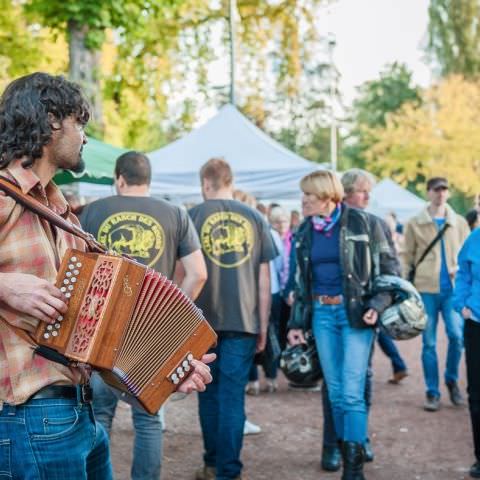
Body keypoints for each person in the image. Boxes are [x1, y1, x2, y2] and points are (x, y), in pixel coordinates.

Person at [0, 72, 213, 480]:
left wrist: (168, 369)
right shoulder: (4, 194)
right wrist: (4, 285)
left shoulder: (62, 213)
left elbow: (99, 334)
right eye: (79, 123)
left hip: (78, 410)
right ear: (49, 121)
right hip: (27, 414)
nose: (84, 137)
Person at [80, 150, 207, 480]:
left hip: (100, 334)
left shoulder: (92, 211)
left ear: (119, 179)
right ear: (148, 181)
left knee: (99, 416)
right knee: (149, 417)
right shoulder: (175, 213)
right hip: (151, 337)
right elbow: (198, 274)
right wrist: (171, 319)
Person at [288, 170, 397, 480]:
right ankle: (344, 446)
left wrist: (377, 305)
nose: (303, 200)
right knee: (335, 394)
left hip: (355, 316)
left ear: (326, 196)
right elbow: (299, 282)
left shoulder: (366, 224)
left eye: (308, 195)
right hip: (322, 315)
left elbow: (391, 273)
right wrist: (296, 322)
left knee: (350, 394)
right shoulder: (305, 231)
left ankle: (354, 469)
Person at [189, 158, 277, 480]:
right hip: (243, 321)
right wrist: (263, 325)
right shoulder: (255, 218)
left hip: (199, 322)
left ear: (205, 183)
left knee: (208, 393)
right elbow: (264, 279)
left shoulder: (192, 216)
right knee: (231, 396)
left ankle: (212, 464)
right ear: (230, 180)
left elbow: (182, 273)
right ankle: (229, 471)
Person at [403, 176, 469, 411]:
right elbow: (407, 256)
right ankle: (432, 391)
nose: (441, 193)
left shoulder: (459, 222)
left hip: (452, 290)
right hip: (425, 289)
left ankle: (451, 380)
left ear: (448, 193)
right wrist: (405, 288)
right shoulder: (415, 223)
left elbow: (466, 255)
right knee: (428, 343)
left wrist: (462, 275)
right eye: (436, 189)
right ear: (428, 192)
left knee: (457, 337)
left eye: (444, 189)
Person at [454, 227, 480, 478]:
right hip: (476, 324)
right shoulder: (475, 238)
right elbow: (463, 272)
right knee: (477, 393)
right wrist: (461, 303)